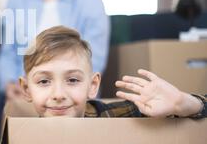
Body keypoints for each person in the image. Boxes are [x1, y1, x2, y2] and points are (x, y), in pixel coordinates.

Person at [19, 26, 206, 118]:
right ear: (27, 89)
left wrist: (183, 103)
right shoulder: (19, 137)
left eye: (73, 80)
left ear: (92, 86)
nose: (58, 95)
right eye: (44, 82)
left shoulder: (108, 116)